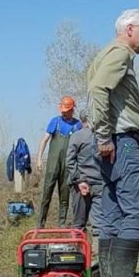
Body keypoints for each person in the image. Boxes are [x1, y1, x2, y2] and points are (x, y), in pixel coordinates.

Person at [87, 8, 139, 277]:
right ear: (130, 29)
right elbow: (99, 90)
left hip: (110, 144)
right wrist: (104, 136)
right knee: (135, 213)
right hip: (120, 142)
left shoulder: (104, 53)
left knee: (111, 213)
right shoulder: (121, 53)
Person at [36, 96, 82, 227]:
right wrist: (39, 158)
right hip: (53, 164)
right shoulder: (54, 122)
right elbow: (44, 140)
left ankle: (61, 224)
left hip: (68, 164)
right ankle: (40, 223)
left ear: (72, 110)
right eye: (62, 109)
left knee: (64, 194)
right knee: (47, 192)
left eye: (66, 110)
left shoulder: (77, 125)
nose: (63, 112)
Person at [65, 112, 102, 234]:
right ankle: (98, 251)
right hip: (99, 183)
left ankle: (77, 250)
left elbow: (70, 161)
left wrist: (79, 180)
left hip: (80, 185)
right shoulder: (104, 136)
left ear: (81, 121)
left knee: (78, 224)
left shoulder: (76, 136)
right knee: (99, 224)